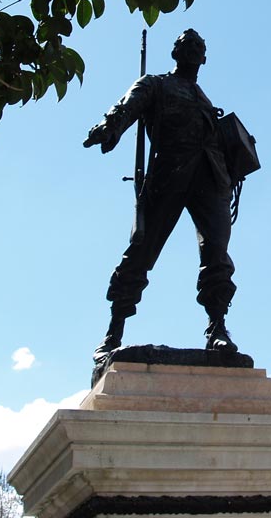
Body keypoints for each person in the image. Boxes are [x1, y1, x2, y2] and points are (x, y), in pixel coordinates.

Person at [84, 29, 238, 359]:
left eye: (198, 46)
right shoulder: (156, 84)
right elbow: (127, 106)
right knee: (142, 250)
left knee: (217, 254)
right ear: (175, 53)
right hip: (169, 174)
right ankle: (114, 332)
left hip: (210, 180)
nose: (193, 49)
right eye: (186, 45)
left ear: (204, 58)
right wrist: (109, 126)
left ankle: (217, 328)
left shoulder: (205, 99)